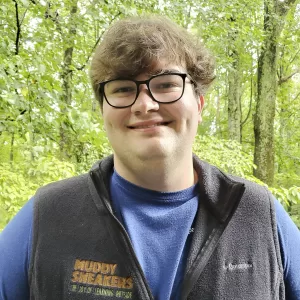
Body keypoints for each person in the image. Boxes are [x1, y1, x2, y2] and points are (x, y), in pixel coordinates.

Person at [0, 15, 299, 300]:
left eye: (166, 83)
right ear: (103, 111)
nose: (144, 104)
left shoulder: (259, 215)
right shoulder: (48, 215)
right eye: (122, 88)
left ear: (199, 103)